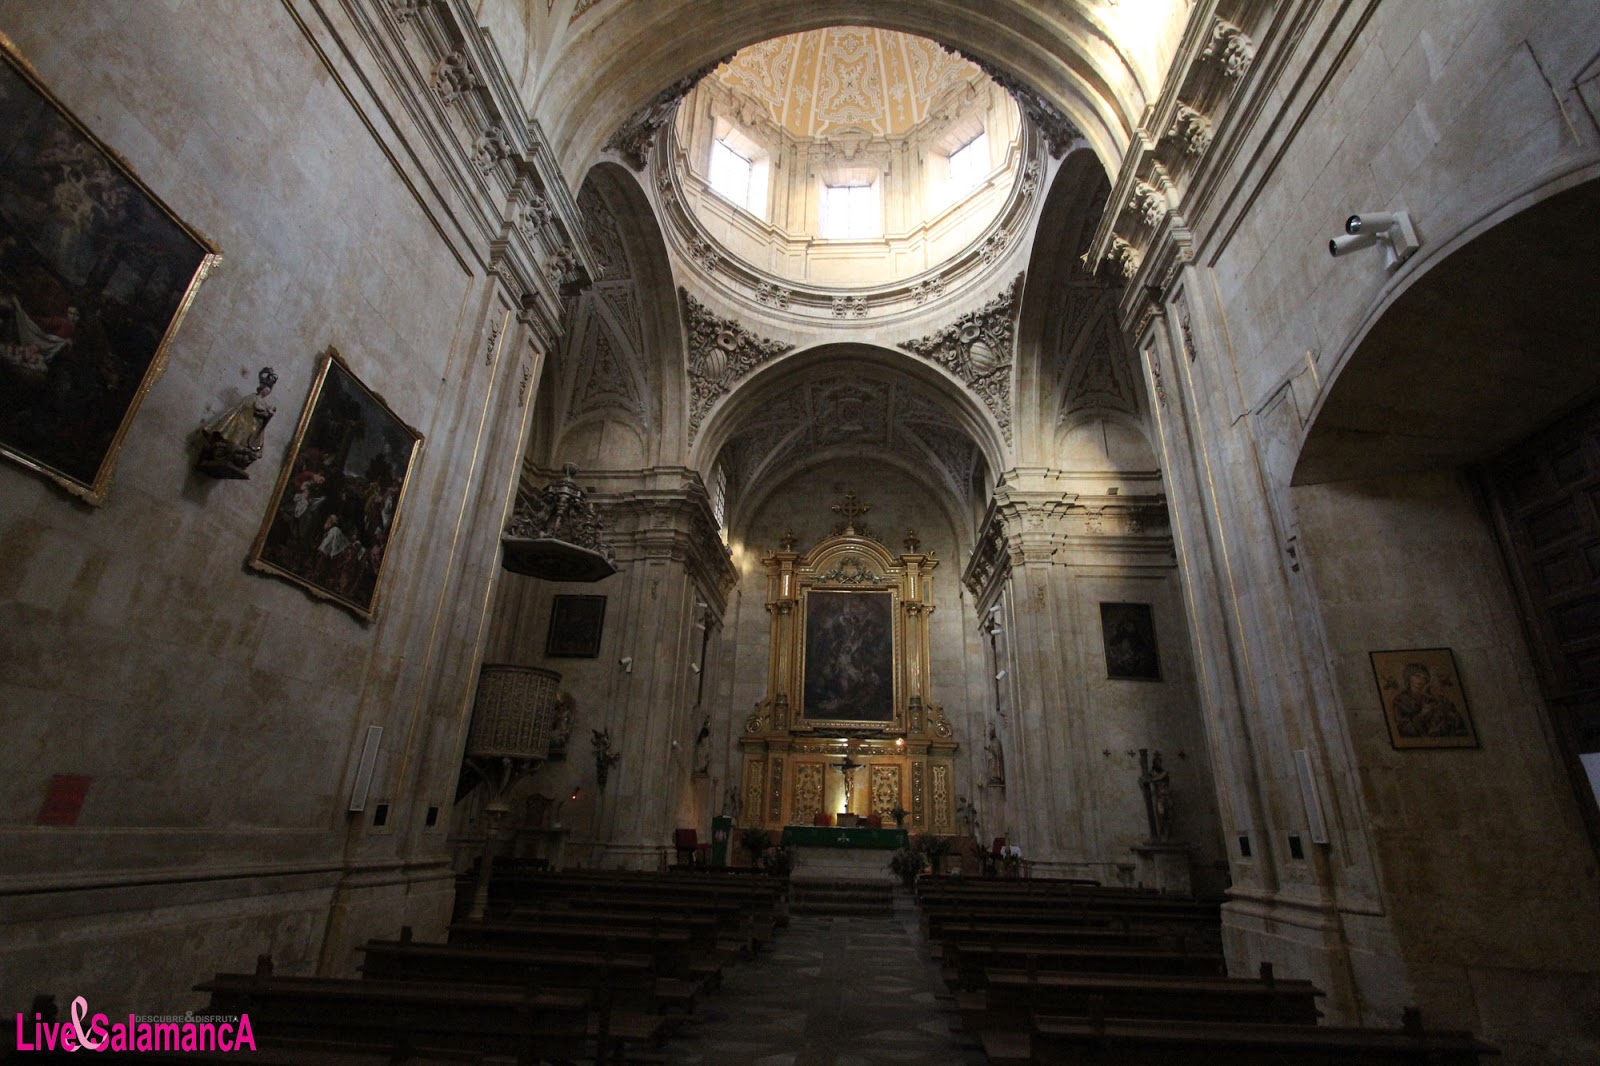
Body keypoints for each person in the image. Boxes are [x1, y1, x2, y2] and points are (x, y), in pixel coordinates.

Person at [197, 367, 277, 478]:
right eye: (266, 390)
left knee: (246, 446)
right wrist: (265, 412)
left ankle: (238, 454)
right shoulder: (252, 397)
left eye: (268, 391)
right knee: (235, 440)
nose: (266, 392)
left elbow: (263, 414)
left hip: (252, 428)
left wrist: (268, 414)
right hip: (243, 422)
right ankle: (225, 451)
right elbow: (250, 407)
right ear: (261, 388)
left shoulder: (264, 403)